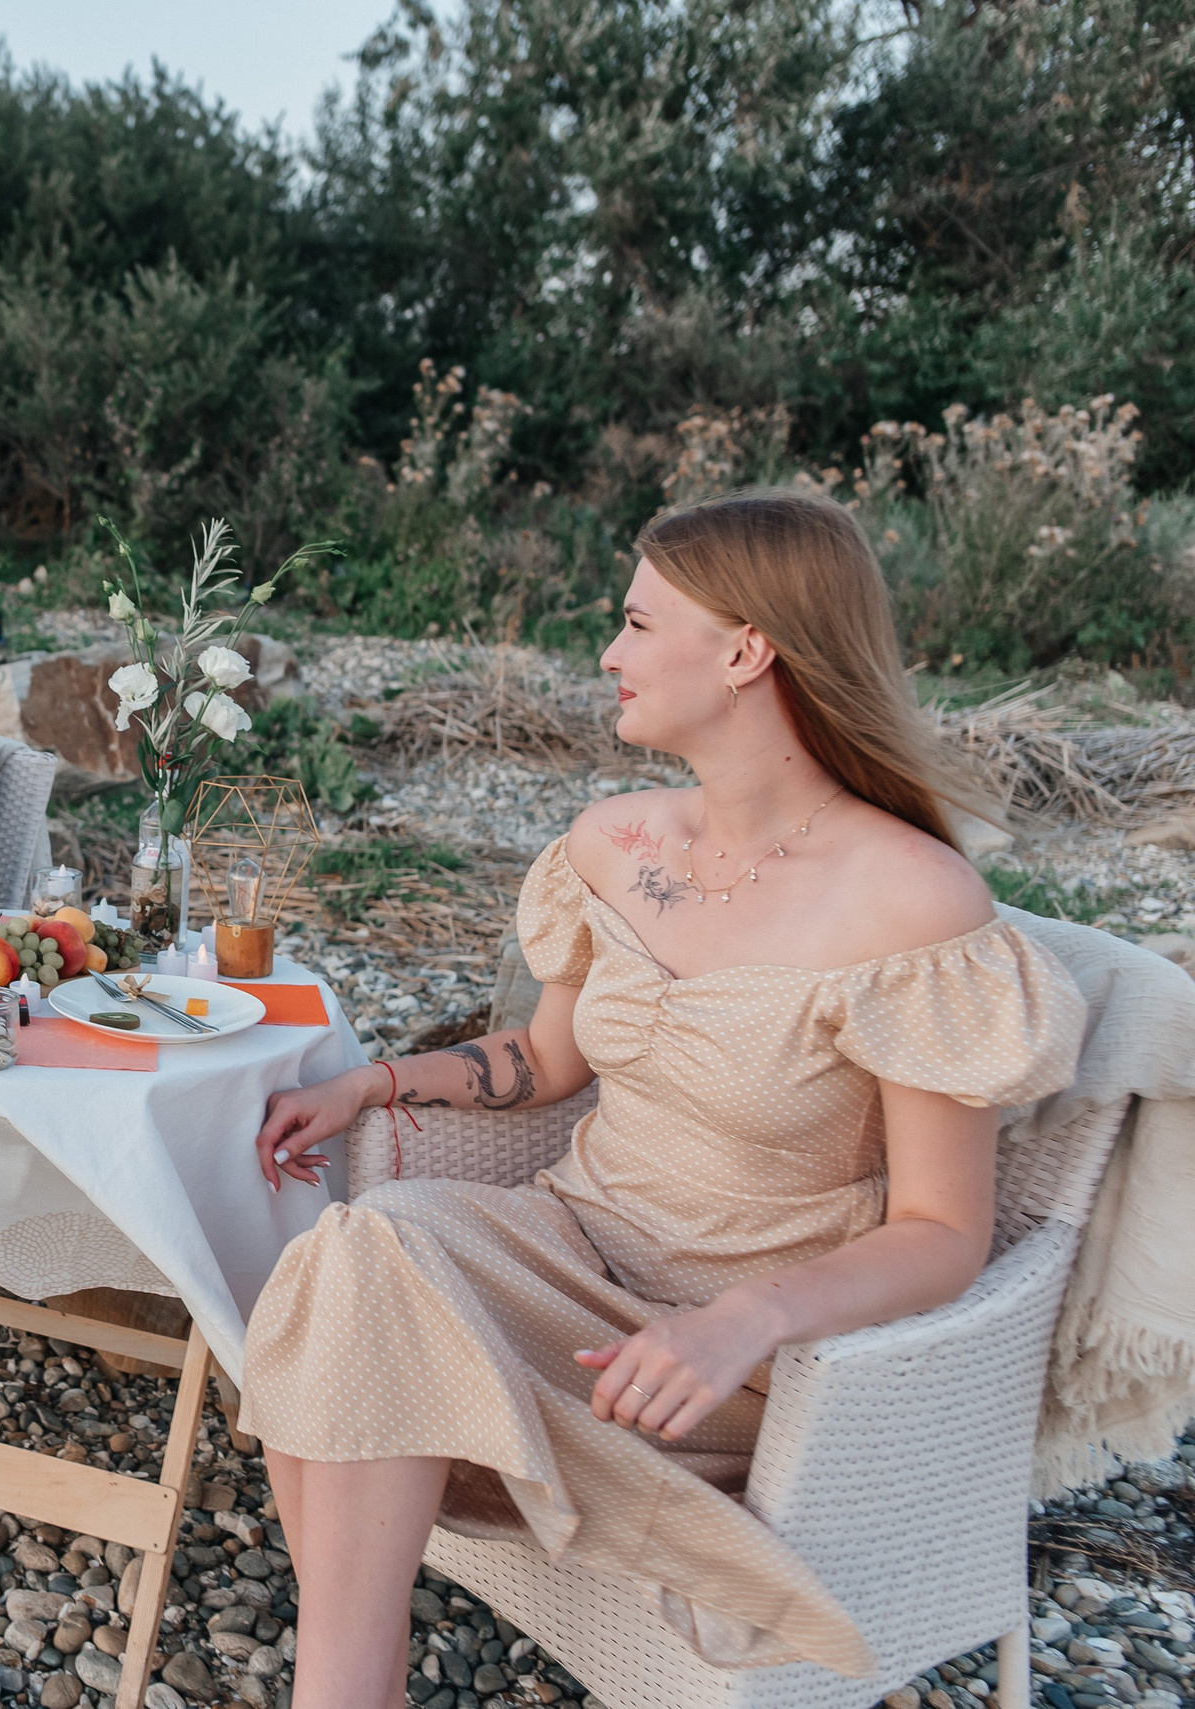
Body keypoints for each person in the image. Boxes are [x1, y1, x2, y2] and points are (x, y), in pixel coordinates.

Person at [238, 488, 1086, 1702]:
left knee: (355, 1297)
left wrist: (745, 1319)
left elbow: (946, 1234)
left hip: (722, 1354)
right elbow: (546, 1062)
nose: (607, 654)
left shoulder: (912, 905)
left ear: (746, 650)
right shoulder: (613, 841)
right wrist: (371, 1081)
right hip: (563, 1253)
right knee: (354, 1251)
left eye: (637, 623)